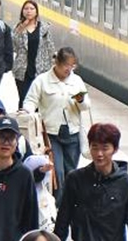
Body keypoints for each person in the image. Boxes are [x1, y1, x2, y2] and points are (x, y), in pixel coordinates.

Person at [22, 47, 91, 195]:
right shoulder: (42, 81)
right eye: (66, 65)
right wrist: (27, 113)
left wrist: (80, 99)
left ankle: (69, 203)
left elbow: (86, 106)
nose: (69, 69)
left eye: (72, 66)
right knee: (56, 172)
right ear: (57, 63)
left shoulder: (76, 81)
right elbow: (30, 101)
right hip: (51, 134)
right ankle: (58, 206)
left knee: (71, 172)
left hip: (72, 133)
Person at [12, 0, 56, 106]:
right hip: (22, 70)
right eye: (26, 9)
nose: (29, 11)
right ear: (22, 11)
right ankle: (24, 121)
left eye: (32, 9)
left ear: (36, 12)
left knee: (39, 101)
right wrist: (21, 28)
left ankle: (37, 122)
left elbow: (50, 47)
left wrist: (54, 64)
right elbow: (14, 47)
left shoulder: (44, 28)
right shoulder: (18, 28)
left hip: (41, 69)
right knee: (24, 99)